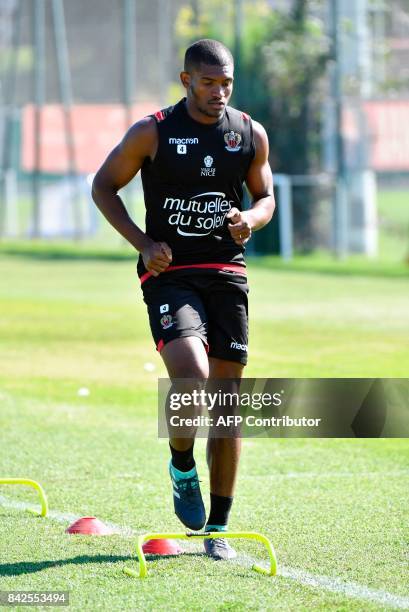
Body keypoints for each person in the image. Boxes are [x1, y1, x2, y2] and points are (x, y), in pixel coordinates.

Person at [92, 39, 275, 560]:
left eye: (227, 84)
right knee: (190, 379)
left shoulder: (249, 134)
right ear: (186, 80)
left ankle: (218, 529)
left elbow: (264, 196)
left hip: (227, 276)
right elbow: (104, 186)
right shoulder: (152, 131)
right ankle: (180, 463)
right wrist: (144, 244)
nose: (220, 93)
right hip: (171, 275)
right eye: (209, 83)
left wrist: (251, 219)